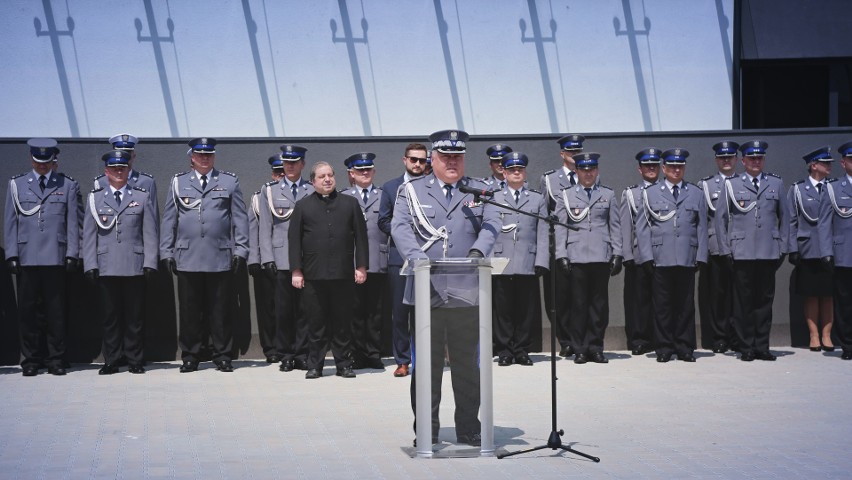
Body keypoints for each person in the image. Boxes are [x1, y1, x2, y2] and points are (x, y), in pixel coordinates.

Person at [391, 129, 499, 447]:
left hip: (467, 290)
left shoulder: (480, 189)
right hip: (428, 291)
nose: (452, 162)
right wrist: (418, 259)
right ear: (433, 159)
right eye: (446, 157)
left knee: (467, 365)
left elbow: (492, 224)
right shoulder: (410, 191)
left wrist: (479, 251)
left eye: (458, 157)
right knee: (427, 365)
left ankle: (469, 428)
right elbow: (400, 227)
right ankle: (427, 428)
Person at [160, 137, 249, 373]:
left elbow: (239, 218)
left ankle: (222, 355)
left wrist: (241, 249)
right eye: (200, 154)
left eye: (208, 154)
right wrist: (166, 251)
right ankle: (191, 355)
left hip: (219, 256)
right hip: (187, 256)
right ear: (192, 156)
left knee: (220, 310)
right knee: (190, 311)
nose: (204, 158)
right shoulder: (179, 183)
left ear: (214, 156)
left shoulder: (229, 181)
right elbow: (170, 219)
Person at [4, 138, 80, 376]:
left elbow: (72, 223)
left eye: (46, 162)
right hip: (27, 258)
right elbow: (10, 222)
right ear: (31, 159)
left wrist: (72, 254)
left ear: (53, 161)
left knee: (56, 312)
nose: (42, 166)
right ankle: (31, 360)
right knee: (27, 313)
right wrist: (11, 255)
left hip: (55, 257)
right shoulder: (17, 185)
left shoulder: (66, 185)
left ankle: (56, 359)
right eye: (38, 161)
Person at [289, 161, 368, 379]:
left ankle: (343, 364)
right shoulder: (303, 206)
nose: (327, 179)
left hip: (343, 274)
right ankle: (315, 365)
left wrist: (361, 266)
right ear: (313, 181)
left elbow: (361, 238)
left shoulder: (350, 204)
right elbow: (294, 241)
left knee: (342, 322)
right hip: (313, 275)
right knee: (316, 322)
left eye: (330, 175)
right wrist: (296, 270)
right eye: (322, 176)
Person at [82, 150, 159, 374]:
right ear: (106, 172)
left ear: (128, 171)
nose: (118, 172)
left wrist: (150, 262)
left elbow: (150, 233)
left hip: (134, 265)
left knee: (134, 317)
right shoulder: (95, 198)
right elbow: (88, 235)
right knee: (110, 317)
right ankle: (112, 359)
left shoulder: (141, 196)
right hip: (106, 266)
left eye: (122, 168)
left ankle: (135, 359)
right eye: (114, 169)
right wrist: (90, 264)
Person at [715, 140, 789, 361]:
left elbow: (785, 217)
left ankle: (761, 345)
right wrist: (725, 249)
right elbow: (721, 220)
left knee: (764, 301)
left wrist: (783, 246)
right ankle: (745, 346)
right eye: (752, 158)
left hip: (768, 250)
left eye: (760, 158)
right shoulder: (731, 184)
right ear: (744, 161)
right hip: (742, 251)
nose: (756, 162)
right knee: (744, 301)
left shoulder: (775, 184)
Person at [635, 148, 708, 362]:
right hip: (661, 256)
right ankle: (664, 347)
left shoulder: (695, 193)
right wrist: (647, 256)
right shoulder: (650, 193)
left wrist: (701, 256)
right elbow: (642, 228)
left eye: (680, 166)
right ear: (664, 168)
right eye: (672, 166)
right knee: (663, 305)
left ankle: (685, 346)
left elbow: (702, 227)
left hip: (687, 256)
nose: (677, 170)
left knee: (685, 305)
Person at [555, 152, 622, 364]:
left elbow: (615, 227)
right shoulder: (566, 195)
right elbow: (559, 228)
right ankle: (580, 348)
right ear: (577, 172)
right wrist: (561, 254)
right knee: (578, 305)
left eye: (591, 169)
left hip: (601, 256)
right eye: (584, 170)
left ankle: (596, 346)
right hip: (576, 257)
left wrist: (617, 253)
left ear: (597, 171)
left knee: (599, 306)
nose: (588, 173)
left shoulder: (608, 194)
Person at [258, 144, 314, 372]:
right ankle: (285, 354)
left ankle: (302, 353)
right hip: (281, 258)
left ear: (302, 164)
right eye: (287, 162)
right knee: (283, 310)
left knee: (305, 309)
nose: (290, 166)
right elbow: (265, 227)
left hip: (307, 259)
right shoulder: (269, 190)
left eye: (295, 162)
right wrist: (267, 258)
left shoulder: (311, 190)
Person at [490, 152, 548, 367]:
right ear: (503, 172)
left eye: (520, 169)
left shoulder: (537, 198)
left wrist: (542, 260)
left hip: (527, 259)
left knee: (526, 309)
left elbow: (542, 231)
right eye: (512, 169)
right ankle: (504, 349)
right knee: (502, 309)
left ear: (524, 172)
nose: (516, 172)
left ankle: (522, 349)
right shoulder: (494, 197)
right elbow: (488, 230)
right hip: (501, 259)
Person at [377, 143, 428, 377]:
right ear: (404, 160)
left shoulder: (433, 186)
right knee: (400, 312)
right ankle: (403, 361)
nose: (418, 164)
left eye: (422, 160)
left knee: (425, 312)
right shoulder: (390, 187)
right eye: (414, 160)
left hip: (428, 256)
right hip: (400, 257)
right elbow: (383, 220)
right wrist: (404, 233)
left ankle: (425, 359)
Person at [540, 134, 585, 357]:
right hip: (558, 244)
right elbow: (544, 213)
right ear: (562, 154)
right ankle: (565, 340)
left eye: (578, 152)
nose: (574, 156)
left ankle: (581, 339)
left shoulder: (588, 176)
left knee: (581, 296)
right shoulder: (550, 180)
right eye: (571, 152)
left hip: (583, 245)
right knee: (559, 297)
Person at [342, 152, 388, 370]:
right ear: (352, 174)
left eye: (368, 169)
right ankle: (356, 353)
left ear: (374, 171)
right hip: (352, 262)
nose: (365, 173)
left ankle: (373, 353)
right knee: (354, 311)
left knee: (375, 311)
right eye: (360, 170)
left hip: (378, 260)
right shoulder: (344, 197)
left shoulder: (384, 195)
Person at [789, 147, 834, 351]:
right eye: (825, 163)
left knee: (828, 293)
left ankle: (827, 336)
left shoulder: (833, 188)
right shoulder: (798, 189)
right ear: (813, 165)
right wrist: (792, 248)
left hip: (830, 249)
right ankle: (814, 336)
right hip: (807, 248)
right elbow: (791, 221)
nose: (829, 166)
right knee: (811, 293)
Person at [698, 141, 739, 353]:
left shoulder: (744, 182)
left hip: (742, 247)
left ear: (736, 159)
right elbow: (702, 222)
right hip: (715, 248)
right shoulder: (706, 185)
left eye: (730, 157)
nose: (726, 160)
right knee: (718, 294)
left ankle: (739, 336)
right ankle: (720, 337)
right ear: (716, 160)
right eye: (722, 157)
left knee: (740, 294)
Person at [620, 147, 661, 356]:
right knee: (638, 302)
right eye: (647, 165)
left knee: (662, 300)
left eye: (655, 165)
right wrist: (626, 254)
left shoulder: (668, 191)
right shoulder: (631, 194)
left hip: (664, 256)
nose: (651, 168)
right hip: (638, 256)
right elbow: (625, 226)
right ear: (640, 169)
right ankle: (638, 340)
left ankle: (659, 338)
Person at [248, 155, 286, 363]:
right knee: (268, 309)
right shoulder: (259, 197)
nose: (281, 175)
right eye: (277, 172)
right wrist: (254, 259)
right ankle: (270, 348)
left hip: (290, 261)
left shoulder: (300, 194)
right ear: (272, 174)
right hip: (266, 262)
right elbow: (252, 230)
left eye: (284, 171)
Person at [818, 141, 852, 360]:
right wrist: (826, 252)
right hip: (844, 254)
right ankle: (848, 344)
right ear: (843, 162)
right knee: (845, 302)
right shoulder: (832, 188)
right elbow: (823, 223)